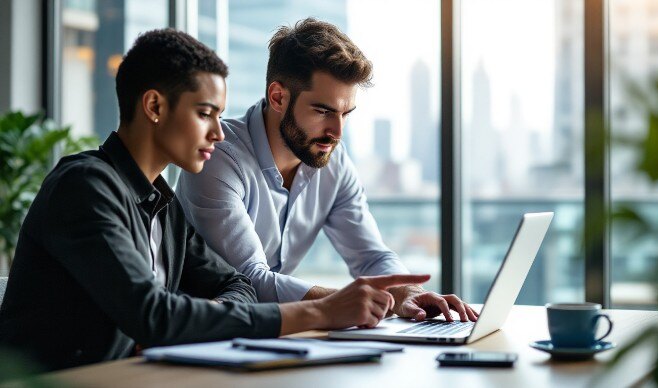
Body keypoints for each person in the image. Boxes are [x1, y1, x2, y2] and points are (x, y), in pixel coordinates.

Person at [0, 28, 428, 371]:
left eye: (220, 116)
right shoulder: (85, 187)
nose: (219, 134)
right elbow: (156, 317)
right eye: (206, 114)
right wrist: (321, 312)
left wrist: (201, 316)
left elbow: (236, 284)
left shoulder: (160, 203)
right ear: (154, 106)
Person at [176, 18, 478, 322]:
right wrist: (344, 302)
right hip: (198, 335)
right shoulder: (218, 157)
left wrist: (406, 291)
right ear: (278, 97)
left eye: (346, 113)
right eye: (323, 111)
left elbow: (371, 256)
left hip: (272, 335)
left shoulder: (334, 161)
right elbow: (250, 280)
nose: (337, 131)